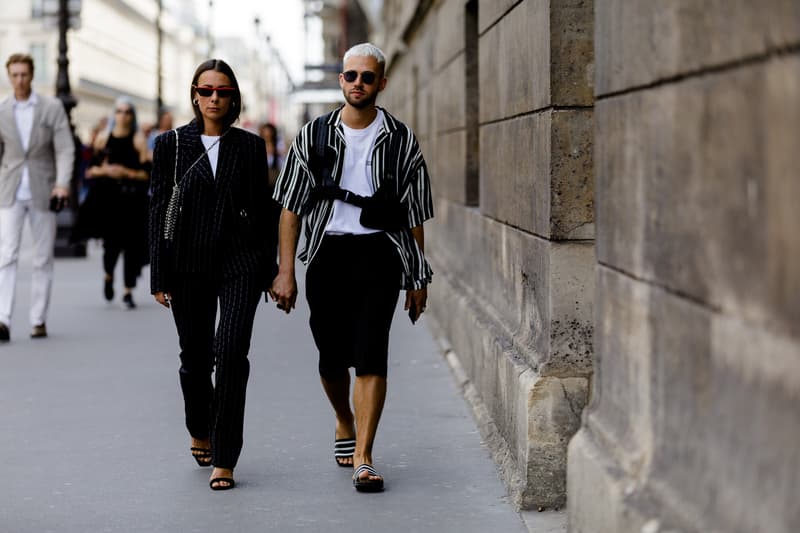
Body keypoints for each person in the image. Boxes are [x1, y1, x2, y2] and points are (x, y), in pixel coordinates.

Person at [270, 43, 434, 493]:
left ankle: (364, 455)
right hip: (328, 253)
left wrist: (416, 276)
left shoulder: (401, 139)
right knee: (330, 358)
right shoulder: (313, 135)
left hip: (380, 254)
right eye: (351, 76)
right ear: (341, 79)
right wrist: (285, 271)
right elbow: (290, 208)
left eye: (367, 77)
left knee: (371, 353)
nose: (358, 83)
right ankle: (344, 418)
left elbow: (414, 213)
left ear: (381, 83)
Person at [149, 59, 278, 491]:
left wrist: (272, 270)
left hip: (240, 263)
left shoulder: (250, 146)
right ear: (194, 94)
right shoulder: (171, 145)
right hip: (187, 263)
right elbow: (158, 210)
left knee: (232, 353)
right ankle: (198, 426)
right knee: (195, 359)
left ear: (233, 97)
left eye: (223, 92)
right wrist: (159, 275)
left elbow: (264, 211)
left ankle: (225, 456)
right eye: (206, 91)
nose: (214, 99)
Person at [0, 53, 74, 340]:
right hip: (10, 191)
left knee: (42, 257)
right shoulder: (2, 109)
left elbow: (65, 148)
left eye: (24, 74)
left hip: (44, 189)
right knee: (7, 254)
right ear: (9, 76)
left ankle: (38, 319)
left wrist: (62, 184)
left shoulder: (51, 107)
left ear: (31, 75)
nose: (19, 80)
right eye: (14, 75)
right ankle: (3, 319)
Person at [74, 97, 150, 309]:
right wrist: (107, 170)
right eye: (119, 111)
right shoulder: (103, 138)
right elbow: (91, 169)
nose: (123, 115)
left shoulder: (138, 140)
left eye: (127, 112)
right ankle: (108, 275)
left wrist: (127, 172)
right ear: (114, 114)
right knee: (111, 245)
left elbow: (147, 174)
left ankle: (128, 291)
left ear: (132, 116)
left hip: (132, 200)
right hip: (108, 200)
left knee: (131, 246)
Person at [258, 122, 282, 189]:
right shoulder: (258, 146)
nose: (267, 137)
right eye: (265, 135)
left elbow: (281, 163)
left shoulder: (278, 145)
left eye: (269, 135)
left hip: (275, 181)